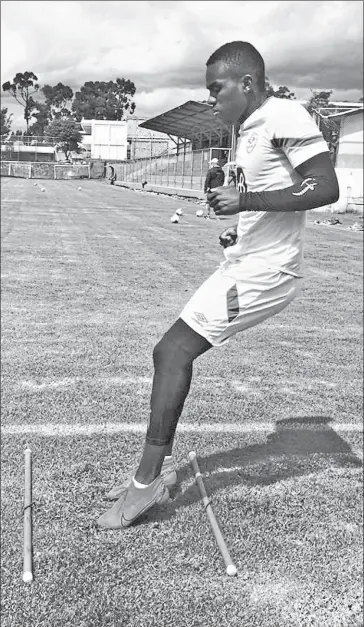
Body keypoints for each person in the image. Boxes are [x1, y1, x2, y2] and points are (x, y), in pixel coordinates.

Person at [97, 41, 339, 529]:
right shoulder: (247, 129)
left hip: (265, 273)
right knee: (169, 353)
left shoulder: (284, 115)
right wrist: (239, 225)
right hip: (245, 259)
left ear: (247, 83)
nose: (212, 99)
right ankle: (155, 475)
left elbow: (326, 187)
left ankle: (146, 486)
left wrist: (246, 199)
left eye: (216, 89)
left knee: (171, 353)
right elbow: (273, 197)